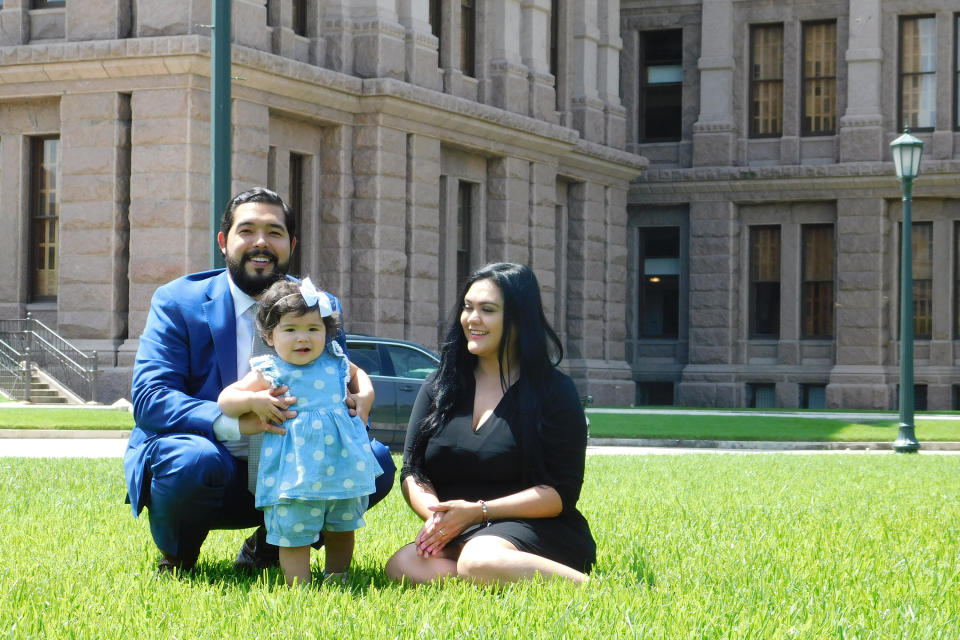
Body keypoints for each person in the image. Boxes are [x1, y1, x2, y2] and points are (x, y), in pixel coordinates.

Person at [123, 187, 395, 574]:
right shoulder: (177, 300)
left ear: (291, 244)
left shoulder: (318, 305)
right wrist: (235, 421)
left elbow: (341, 372)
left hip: (297, 459)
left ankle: (269, 547)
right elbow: (151, 398)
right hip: (210, 457)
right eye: (247, 230)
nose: (261, 242)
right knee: (190, 461)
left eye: (275, 232)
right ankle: (179, 556)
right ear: (223, 242)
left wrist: (362, 394)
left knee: (377, 461)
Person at [384, 262, 595, 585]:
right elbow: (413, 471)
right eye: (468, 307)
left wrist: (479, 511)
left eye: (488, 309)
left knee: (479, 558)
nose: (472, 319)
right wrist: (440, 518)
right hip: (460, 529)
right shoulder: (440, 386)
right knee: (403, 564)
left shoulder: (554, 391)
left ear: (519, 319)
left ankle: (593, 589)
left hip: (534, 527)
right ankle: (488, 576)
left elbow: (560, 493)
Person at [218, 277, 383, 586]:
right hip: (294, 473)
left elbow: (360, 375)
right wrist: (255, 400)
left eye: (313, 329)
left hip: (341, 467)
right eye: (290, 330)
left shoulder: (334, 360)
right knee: (293, 533)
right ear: (269, 336)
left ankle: (338, 578)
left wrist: (365, 398)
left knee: (342, 528)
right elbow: (226, 401)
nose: (302, 338)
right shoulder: (271, 371)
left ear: (326, 332)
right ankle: (300, 589)